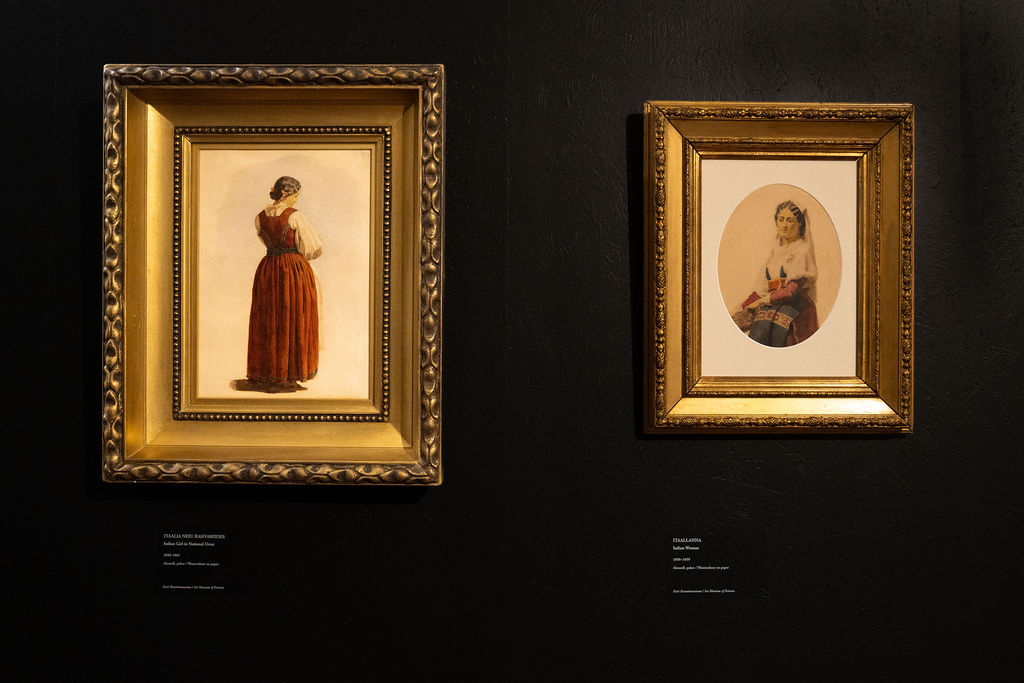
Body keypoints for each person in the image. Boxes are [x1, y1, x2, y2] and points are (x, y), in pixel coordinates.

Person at [246, 176, 324, 391]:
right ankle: (290, 373)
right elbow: (313, 249)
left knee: (270, 317)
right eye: (295, 196)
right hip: (293, 271)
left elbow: (264, 240)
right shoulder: (295, 217)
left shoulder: (260, 217)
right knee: (293, 315)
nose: (296, 200)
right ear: (285, 194)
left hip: (268, 269)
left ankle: (268, 373)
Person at [736, 200, 819, 347]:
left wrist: (761, 302)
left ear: (799, 223)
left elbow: (790, 292)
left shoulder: (802, 251)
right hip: (773, 306)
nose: (784, 225)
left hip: (796, 309)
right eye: (781, 219)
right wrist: (740, 308)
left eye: (789, 220)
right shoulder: (775, 254)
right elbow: (760, 291)